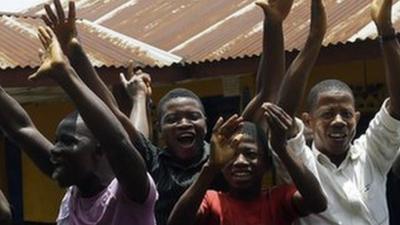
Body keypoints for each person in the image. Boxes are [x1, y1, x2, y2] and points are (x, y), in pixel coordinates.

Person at [271, 0, 400, 223]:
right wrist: (314, 40)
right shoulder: (300, 161)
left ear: (357, 118)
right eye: (328, 114)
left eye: (346, 114)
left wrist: (386, 32)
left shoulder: (370, 153)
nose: (339, 121)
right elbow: (278, 118)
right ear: (308, 121)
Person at [167, 105, 326, 225]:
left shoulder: (278, 199)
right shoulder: (212, 200)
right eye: (231, 155)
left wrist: (281, 149)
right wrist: (210, 167)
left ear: (266, 164)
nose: (240, 162)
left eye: (250, 154)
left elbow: (318, 203)